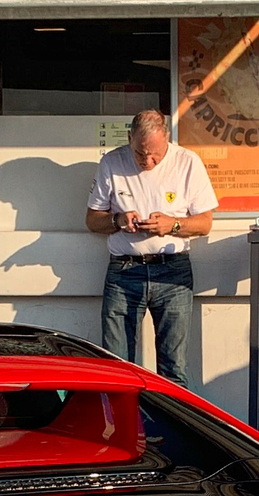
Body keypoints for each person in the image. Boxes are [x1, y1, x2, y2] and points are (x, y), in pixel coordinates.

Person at [85, 108, 216, 383]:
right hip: (124, 270)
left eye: (155, 152)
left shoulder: (187, 162)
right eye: (139, 153)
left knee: (173, 368)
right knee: (116, 367)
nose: (148, 160)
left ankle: (165, 425)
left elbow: (204, 224)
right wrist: (118, 220)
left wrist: (173, 225)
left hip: (173, 270)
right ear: (129, 138)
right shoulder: (112, 162)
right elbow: (92, 220)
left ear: (167, 138)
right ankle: (123, 426)